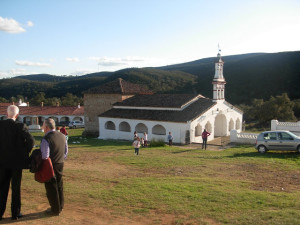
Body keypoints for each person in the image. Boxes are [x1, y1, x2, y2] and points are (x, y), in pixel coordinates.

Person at [0, 105, 35, 220]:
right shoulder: (20, 126)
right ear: (17, 115)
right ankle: (15, 213)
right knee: (16, 188)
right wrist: (24, 152)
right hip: (17, 163)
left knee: (2, 188)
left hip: (2, 162)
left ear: (6, 114)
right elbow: (31, 140)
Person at [41, 118, 68, 216]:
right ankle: (60, 205)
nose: (42, 127)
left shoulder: (46, 138)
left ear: (47, 127)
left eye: (43, 125)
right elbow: (65, 152)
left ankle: (55, 209)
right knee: (59, 185)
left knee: (51, 187)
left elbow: (45, 156)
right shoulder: (62, 136)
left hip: (51, 164)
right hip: (60, 162)